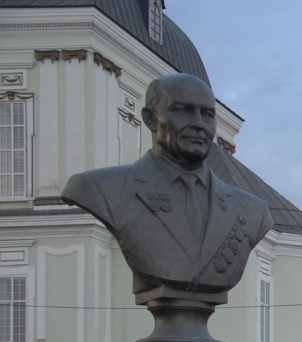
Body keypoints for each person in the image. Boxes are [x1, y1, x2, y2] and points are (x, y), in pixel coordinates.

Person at [61, 73, 272, 298]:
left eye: (207, 114)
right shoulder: (100, 188)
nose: (198, 124)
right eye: (182, 110)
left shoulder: (253, 211)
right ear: (151, 119)